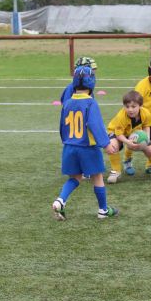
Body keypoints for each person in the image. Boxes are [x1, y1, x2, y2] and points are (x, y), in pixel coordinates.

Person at [51, 66, 118, 221]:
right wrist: (106, 144)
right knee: (98, 177)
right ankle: (103, 210)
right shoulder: (90, 103)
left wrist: (66, 141)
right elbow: (95, 125)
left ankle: (60, 201)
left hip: (69, 147)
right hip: (87, 148)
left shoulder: (67, 103)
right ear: (92, 84)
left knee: (75, 177)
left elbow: (62, 126)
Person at [106, 90, 151, 183]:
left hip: (132, 132)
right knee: (112, 146)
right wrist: (128, 142)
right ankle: (115, 171)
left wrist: (147, 139)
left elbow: (146, 126)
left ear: (140, 106)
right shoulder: (121, 116)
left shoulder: (146, 113)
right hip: (115, 132)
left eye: (133, 106)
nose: (130, 109)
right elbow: (119, 135)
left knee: (150, 149)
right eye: (127, 106)